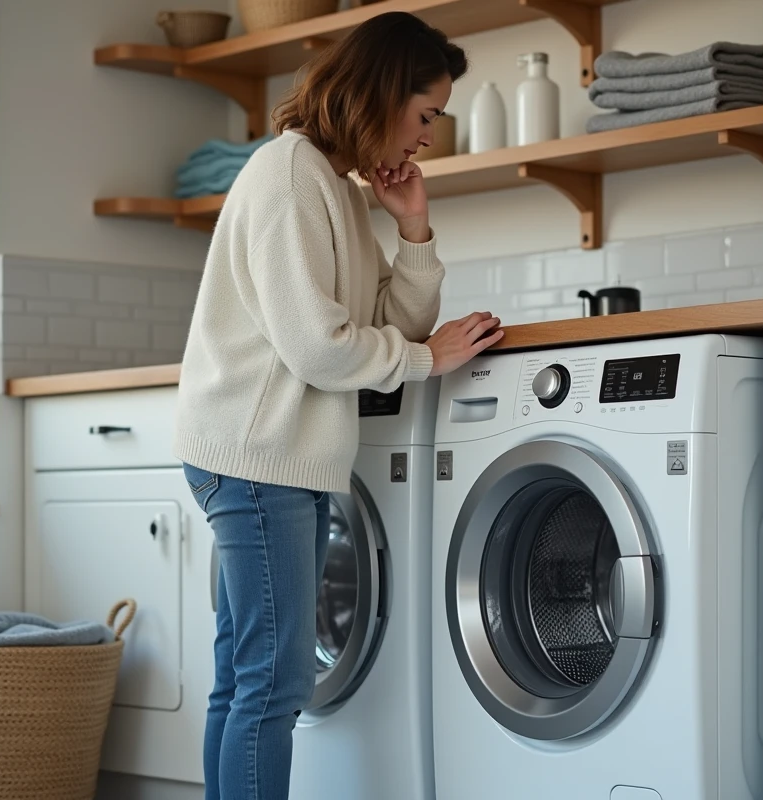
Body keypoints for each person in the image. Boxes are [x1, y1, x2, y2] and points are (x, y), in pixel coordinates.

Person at [172, 11, 503, 800]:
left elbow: (385, 322)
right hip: (258, 462)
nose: (428, 136)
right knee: (273, 688)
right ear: (384, 95)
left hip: (263, 457)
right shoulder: (291, 178)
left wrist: (413, 230)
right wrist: (429, 360)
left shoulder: (335, 187)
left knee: (245, 681)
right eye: (425, 115)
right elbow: (320, 348)